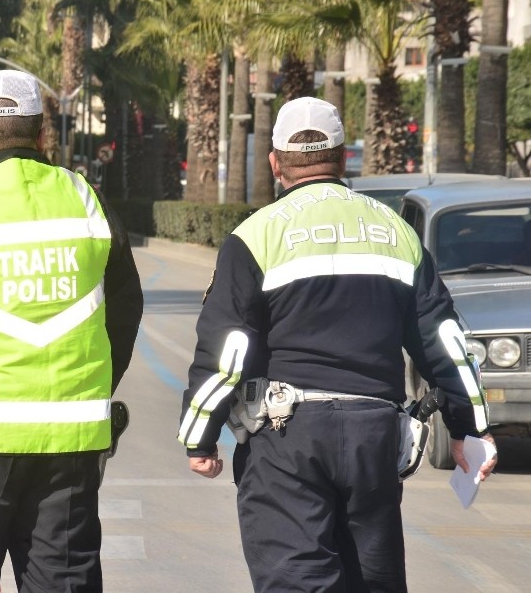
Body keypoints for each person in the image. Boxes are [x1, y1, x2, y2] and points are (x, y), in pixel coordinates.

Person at [178, 97, 497, 591]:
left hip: (287, 442)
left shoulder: (255, 236)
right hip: (374, 436)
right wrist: (469, 426)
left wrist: (200, 434)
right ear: (344, 157)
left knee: (297, 579)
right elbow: (445, 341)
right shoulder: (396, 231)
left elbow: (229, 350)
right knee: (373, 580)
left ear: (275, 162)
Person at [0, 69, 143, 593]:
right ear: (43, 135)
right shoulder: (88, 201)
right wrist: (96, 381)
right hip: (69, 437)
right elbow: (125, 305)